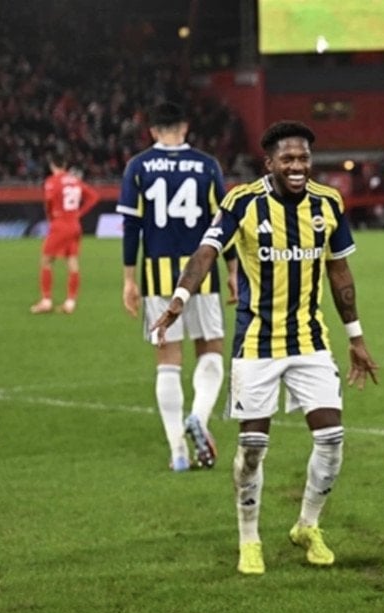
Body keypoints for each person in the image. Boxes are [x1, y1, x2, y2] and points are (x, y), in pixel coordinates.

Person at [150, 120, 380, 575]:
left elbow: (339, 271)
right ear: (269, 162)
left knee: (332, 440)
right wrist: (179, 299)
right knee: (253, 447)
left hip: (310, 341)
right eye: (288, 159)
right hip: (256, 343)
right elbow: (206, 252)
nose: (297, 166)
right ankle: (249, 537)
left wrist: (355, 336)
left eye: (304, 158)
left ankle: (307, 526)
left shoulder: (328, 203)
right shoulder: (242, 202)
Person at [119, 102, 236, 472]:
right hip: (201, 273)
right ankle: (198, 416)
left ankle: (178, 452)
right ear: (185, 127)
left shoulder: (138, 166)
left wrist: (129, 279)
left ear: (153, 130)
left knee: (167, 360)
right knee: (211, 350)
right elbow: (223, 224)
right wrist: (233, 270)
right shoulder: (207, 165)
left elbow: (131, 228)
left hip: (157, 275)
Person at [31, 154, 98, 315]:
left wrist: (50, 218)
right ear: (65, 164)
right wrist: (79, 212)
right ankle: (70, 303)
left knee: (46, 261)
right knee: (72, 262)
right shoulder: (75, 180)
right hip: (75, 225)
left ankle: (46, 301)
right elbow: (94, 197)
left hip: (60, 224)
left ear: (52, 165)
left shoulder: (52, 181)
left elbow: (48, 202)